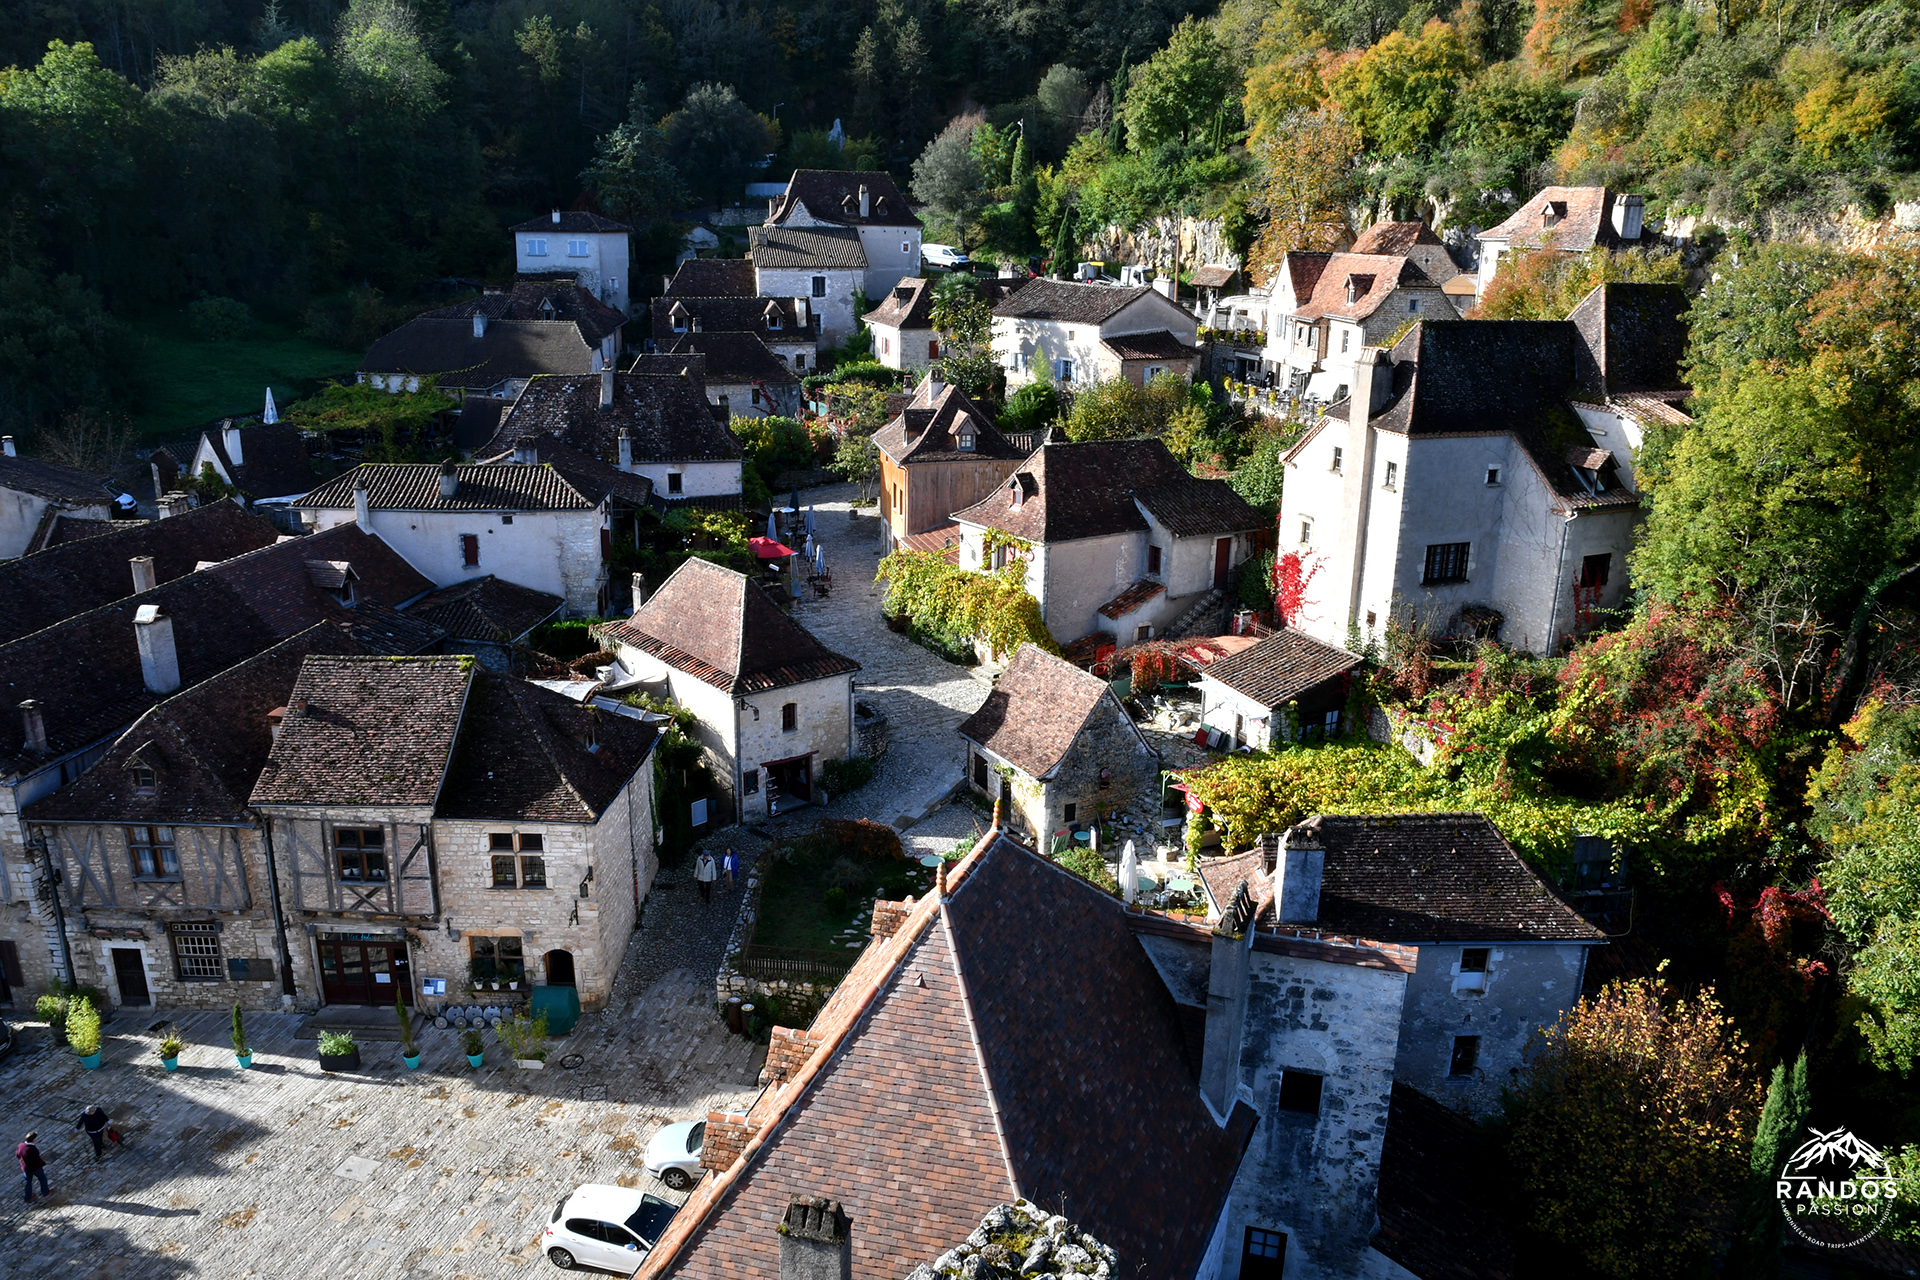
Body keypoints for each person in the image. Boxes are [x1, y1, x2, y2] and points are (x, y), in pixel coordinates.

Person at [17, 1132, 47, 1202]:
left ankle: (28, 1197)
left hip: (26, 1169)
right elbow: (37, 1160)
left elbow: (18, 1155)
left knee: (27, 1182)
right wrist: (42, 1163)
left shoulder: (20, 1146)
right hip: (35, 1168)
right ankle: (46, 1192)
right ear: (33, 1140)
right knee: (42, 1179)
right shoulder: (32, 1149)